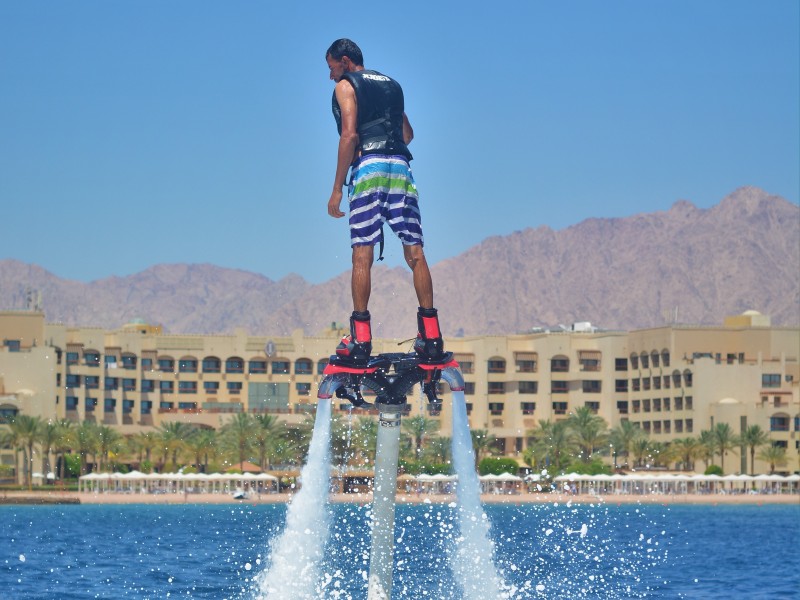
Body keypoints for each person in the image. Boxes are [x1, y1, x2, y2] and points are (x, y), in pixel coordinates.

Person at [325, 38, 445, 366]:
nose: (331, 75)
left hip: (371, 168)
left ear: (345, 61)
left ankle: (361, 341)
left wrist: (337, 188)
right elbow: (407, 135)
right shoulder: (392, 84)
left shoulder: (347, 86)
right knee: (416, 254)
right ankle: (431, 337)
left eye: (332, 67)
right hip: (402, 169)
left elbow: (349, 135)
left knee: (361, 257)